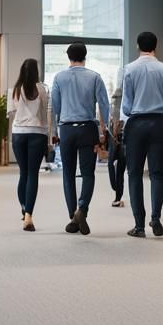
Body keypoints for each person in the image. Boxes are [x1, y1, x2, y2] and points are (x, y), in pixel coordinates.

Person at [121, 31, 163, 238]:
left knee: (135, 173)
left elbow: (126, 106)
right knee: (156, 173)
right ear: (156, 46)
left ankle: (139, 225)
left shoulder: (129, 69)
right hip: (158, 124)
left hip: (137, 123)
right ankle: (155, 218)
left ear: (138, 46)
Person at [50, 43, 109, 235]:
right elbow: (104, 106)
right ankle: (82, 209)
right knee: (88, 173)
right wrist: (104, 130)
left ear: (68, 57)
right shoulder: (95, 77)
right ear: (85, 56)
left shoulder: (58, 78)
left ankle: (72, 216)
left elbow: (56, 107)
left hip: (67, 129)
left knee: (68, 173)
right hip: (87, 129)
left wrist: (56, 130)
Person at [8, 60, 49, 231]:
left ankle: (24, 208)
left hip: (19, 134)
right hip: (38, 133)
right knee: (33, 174)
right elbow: (47, 111)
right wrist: (50, 136)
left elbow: (10, 114)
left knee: (23, 173)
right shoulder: (43, 89)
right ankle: (29, 217)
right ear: (36, 71)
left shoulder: (14, 90)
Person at [108, 66, 127, 207]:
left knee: (120, 167)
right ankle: (116, 190)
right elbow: (114, 110)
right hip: (116, 134)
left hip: (126, 133)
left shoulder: (131, 92)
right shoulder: (118, 92)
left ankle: (117, 196)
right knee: (112, 165)